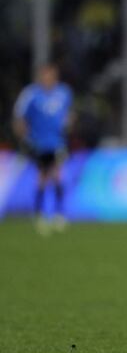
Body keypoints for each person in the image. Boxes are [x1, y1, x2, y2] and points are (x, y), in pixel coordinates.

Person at [13, 63, 73, 235]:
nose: (49, 78)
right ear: (41, 77)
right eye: (46, 75)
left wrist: (68, 127)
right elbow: (20, 118)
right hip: (38, 144)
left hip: (57, 143)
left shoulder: (64, 93)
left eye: (52, 75)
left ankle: (59, 214)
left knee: (57, 175)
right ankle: (39, 214)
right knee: (41, 178)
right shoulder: (31, 94)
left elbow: (68, 115)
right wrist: (25, 139)